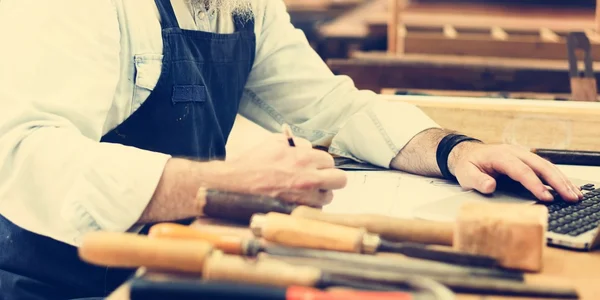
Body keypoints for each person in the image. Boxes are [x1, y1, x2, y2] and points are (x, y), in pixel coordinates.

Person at [0, 0, 583, 299]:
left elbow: (329, 105)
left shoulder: (240, 4)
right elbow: (22, 155)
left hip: (183, 265)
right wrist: (220, 183)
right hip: (61, 282)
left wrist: (450, 149)